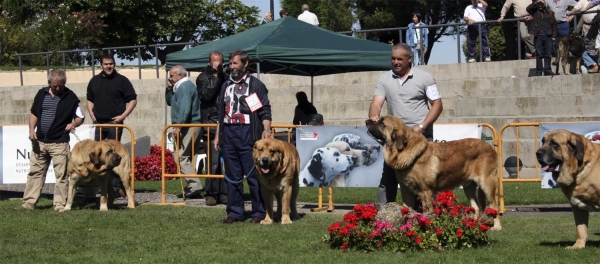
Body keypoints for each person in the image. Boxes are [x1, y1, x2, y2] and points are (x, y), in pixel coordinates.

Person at [368, 43, 443, 208]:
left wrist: (422, 126)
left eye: (400, 59)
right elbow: (376, 103)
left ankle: (425, 216)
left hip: (419, 137)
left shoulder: (425, 78)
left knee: (421, 179)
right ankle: (382, 214)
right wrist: (374, 114)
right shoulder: (384, 79)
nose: (395, 62)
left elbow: (437, 105)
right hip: (395, 139)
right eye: (393, 59)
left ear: (409, 59)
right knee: (388, 178)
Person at [214, 50, 271, 224]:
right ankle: (235, 212)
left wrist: (266, 129)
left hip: (248, 132)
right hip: (229, 133)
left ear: (245, 64)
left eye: (235, 63)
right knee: (232, 176)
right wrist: (218, 136)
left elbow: (263, 110)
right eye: (231, 63)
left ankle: (258, 212)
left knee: (253, 176)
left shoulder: (253, 85)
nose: (232, 67)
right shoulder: (226, 85)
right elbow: (221, 113)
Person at [16, 69, 84, 211]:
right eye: (55, 86)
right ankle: (28, 203)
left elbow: (80, 117)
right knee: (35, 173)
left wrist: (73, 124)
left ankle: (59, 204)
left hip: (59, 143)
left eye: (61, 85)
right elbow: (34, 114)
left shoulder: (70, 97)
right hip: (39, 142)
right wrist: (31, 130)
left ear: (64, 83)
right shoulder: (41, 94)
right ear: (49, 83)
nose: (58, 88)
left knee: (62, 176)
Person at [86, 53, 137, 195]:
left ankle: (116, 186)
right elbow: (89, 99)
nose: (108, 66)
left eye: (111, 64)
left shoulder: (122, 81)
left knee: (114, 157)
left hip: (115, 124)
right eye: (106, 64)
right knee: (99, 156)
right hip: (99, 124)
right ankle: (103, 186)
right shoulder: (94, 81)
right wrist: (91, 113)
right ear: (101, 65)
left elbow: (132, 100)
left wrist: (122, 116)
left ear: (114, 64)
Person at [165, 65, 204, 199]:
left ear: (180, 75)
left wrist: (179, 127)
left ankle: (195, 186)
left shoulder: (185, 87)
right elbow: (170, 101)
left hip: (189, 125)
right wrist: (169, 89)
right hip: (190, 125)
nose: (169, 78)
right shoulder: (180, 87)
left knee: (180, 156)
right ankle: (193, 187)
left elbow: (185, 108)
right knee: (188, 157)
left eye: (171, 75)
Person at [196, 51, 228, 206]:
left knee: (227, 161)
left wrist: (223, 76)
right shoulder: (203, 78)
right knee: (213, 162)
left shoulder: (227, 77)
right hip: (211, 124)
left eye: (220, 62)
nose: (218, 65)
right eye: (215, 62)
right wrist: (216, 78)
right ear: (209, 63)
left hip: (226, 123)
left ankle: (224, 192)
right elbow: (206, 96)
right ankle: (211, 193)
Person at [527, 0, 558, 76]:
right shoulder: (535, 11)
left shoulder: (550, 12)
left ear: (545, 4)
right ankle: (539, 71)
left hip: (548, 35)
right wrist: (536, 2)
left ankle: (547, 70)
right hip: (538, 35)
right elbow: (528, 9)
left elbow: (554, 25)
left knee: (548, 55)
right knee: (539, 55)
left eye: (542, 4)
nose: (540, 5)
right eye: (539, 4)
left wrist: (554, 36)